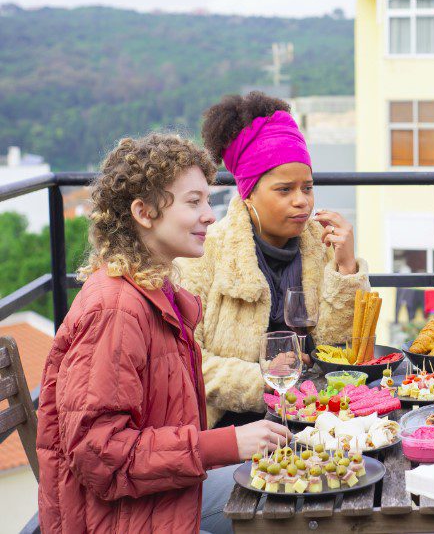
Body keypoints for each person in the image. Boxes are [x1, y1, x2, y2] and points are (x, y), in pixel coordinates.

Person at [36, 134, 291, 533]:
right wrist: (227, 443)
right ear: (143, 212)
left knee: (290, 486)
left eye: (208, 200)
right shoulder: (116, 311)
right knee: (289, 505)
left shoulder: (152, 293)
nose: (210, 215)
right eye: (194, 202)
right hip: (126, 519)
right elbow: (102, 456)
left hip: (158, 501)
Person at [179, 91, 369, 428]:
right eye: (285, 190)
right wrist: (266, 379)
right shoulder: (207, 253)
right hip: (233, 425)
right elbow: (188, 361)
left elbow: (342, 353)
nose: (302, 202)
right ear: (248, 192)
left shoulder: (321, 244)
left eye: (307, 188)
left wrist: (345, 268)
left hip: (317, 414)